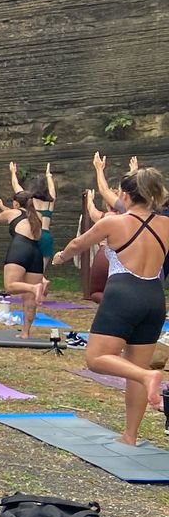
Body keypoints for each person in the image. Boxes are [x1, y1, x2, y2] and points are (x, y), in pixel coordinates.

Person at [53, 168, 169, 443]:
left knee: (96, 359)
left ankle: (146, 375)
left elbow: (79, 243)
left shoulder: (113, 223)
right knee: (135, 371)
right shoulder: (166, 224)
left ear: (127, 196)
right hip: (154, 297)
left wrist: (60, 257)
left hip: (123, 295)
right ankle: (129, 436)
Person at [0, 188, 47, 338]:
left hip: (20, 248)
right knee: (29, 299)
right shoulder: (36, 216)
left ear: (16, 204)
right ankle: (25, 333)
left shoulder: (13, 213)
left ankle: (35, 287)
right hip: (36, 253)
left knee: (10, 286)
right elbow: (12, 213)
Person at [11, 161, 57, 262]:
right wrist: (48, 175)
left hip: (33, 235)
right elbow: (52, 188)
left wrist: (13, 172)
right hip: (45, 236)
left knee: (30, 271)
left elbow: (16, 186)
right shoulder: (50, 201)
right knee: (41, 273)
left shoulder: (28, 200)